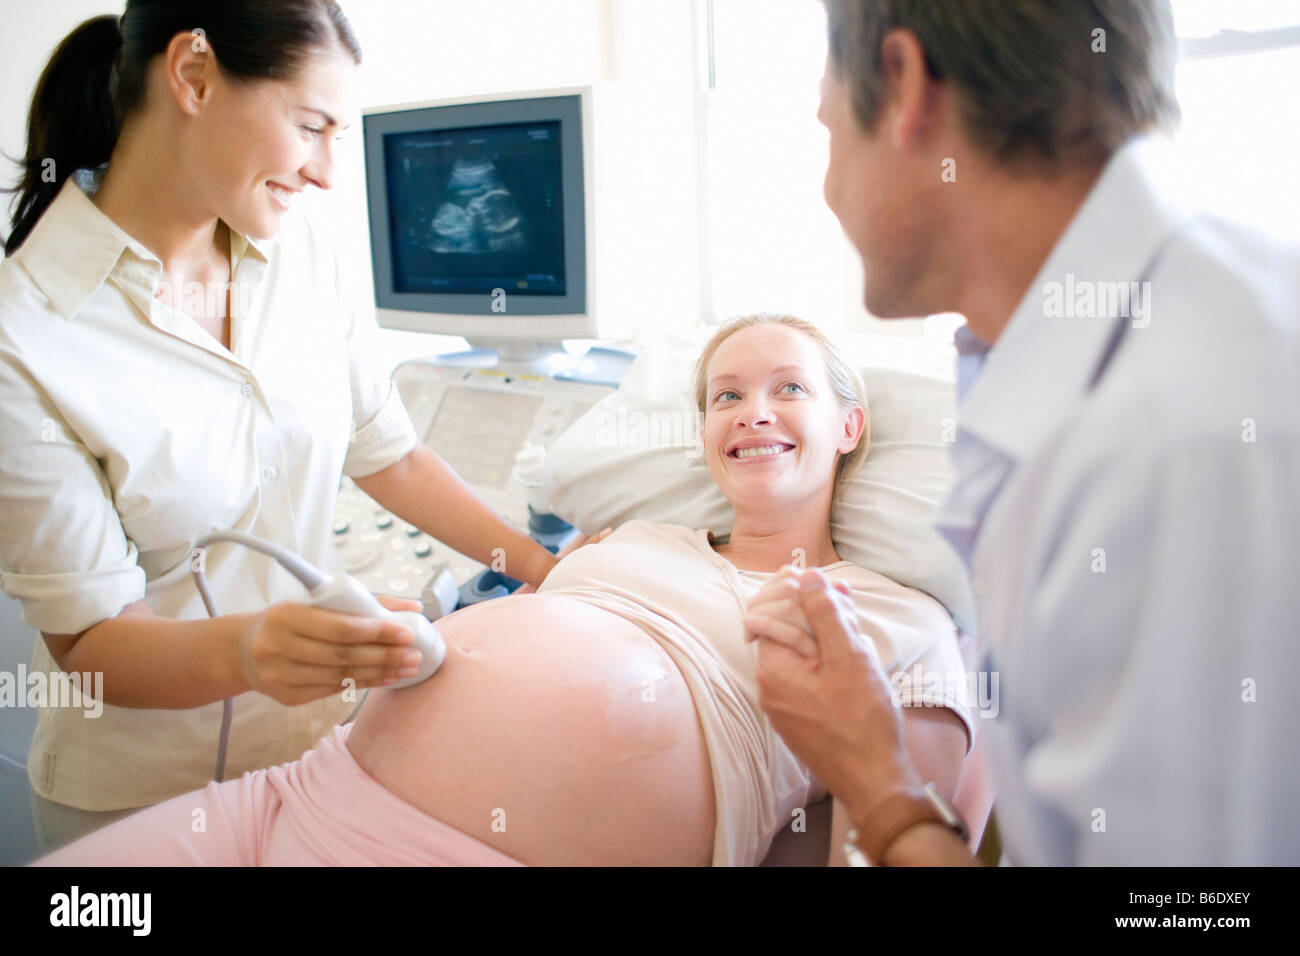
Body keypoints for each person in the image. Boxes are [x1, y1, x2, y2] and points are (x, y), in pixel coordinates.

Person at [35, 314, 974, 866]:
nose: (752, 410)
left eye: (788, 389)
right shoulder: (634, 536)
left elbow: (889, 845)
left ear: (851, 427)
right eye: (725, 396)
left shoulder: (893, 618)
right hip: (291, 797)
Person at [748, 0, 1300, 865]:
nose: (825, 188)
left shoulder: (1177, 439)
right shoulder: (1105, 349)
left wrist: (877, 780)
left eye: (826, 132)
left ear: (903, 86)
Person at [0, 3, 560, 852]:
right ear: (192, 75)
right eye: (311, 128)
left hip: (313, 762)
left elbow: (391, 453)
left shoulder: (304, 253)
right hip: (140, 804)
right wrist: (255, 649)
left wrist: (542, 570)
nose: (330, 172)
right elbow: (89, 640)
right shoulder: (27, 334)